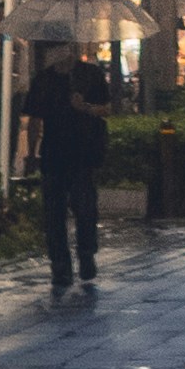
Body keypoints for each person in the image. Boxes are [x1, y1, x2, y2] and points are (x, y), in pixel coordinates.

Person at [24, 39, 110, 296]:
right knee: (54, 213)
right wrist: (31, 153)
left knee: (85, 209)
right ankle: (60, 266)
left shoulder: (90, 74)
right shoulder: (43, 80)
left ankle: (86, 253)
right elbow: (35, 119)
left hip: (83, 153)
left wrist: (85, 107)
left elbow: (107, 108)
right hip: (53, 153)